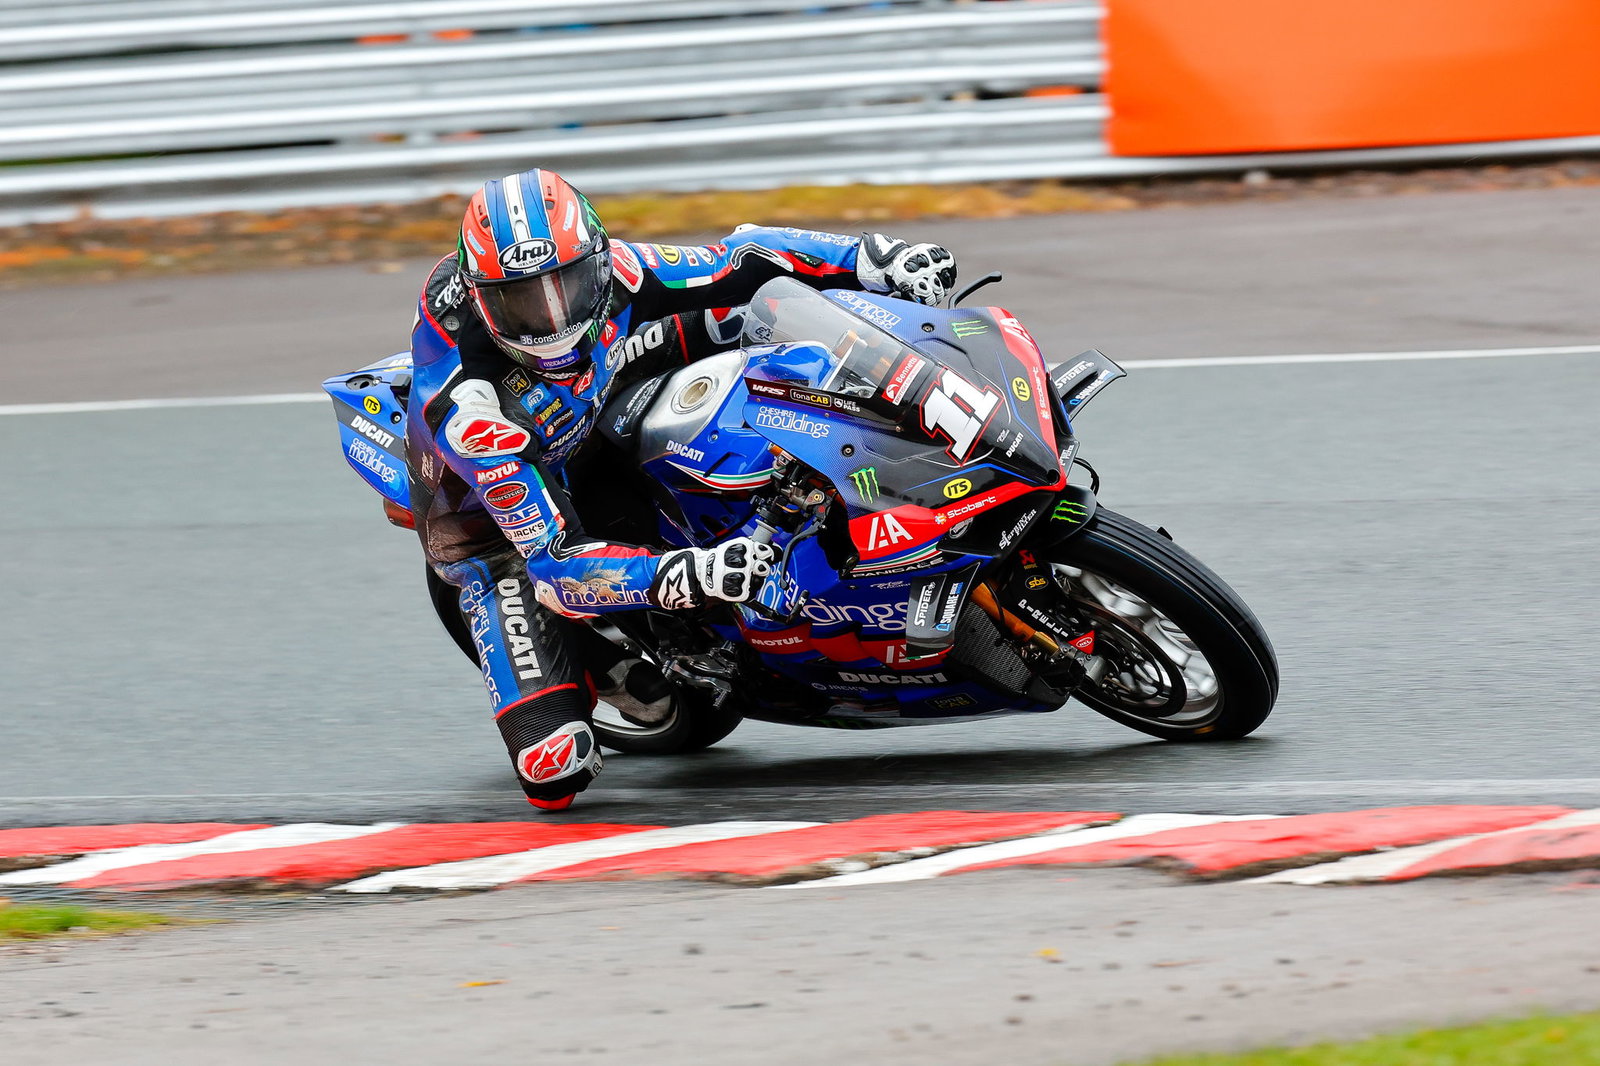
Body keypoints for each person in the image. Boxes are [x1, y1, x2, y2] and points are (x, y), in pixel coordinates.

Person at [409, 168, 957, 809]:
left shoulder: (622, 272)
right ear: (482, 299)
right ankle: (613, 667)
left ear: (599, 258)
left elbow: (742, 257)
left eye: (567, 288)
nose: (551, 318)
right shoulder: (476, 415)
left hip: (599, 403)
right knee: (552, 771)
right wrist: (691, 574)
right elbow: (558, 566)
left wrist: (873, 258)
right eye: (522, 302)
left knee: (746, 322)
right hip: (501, 526)